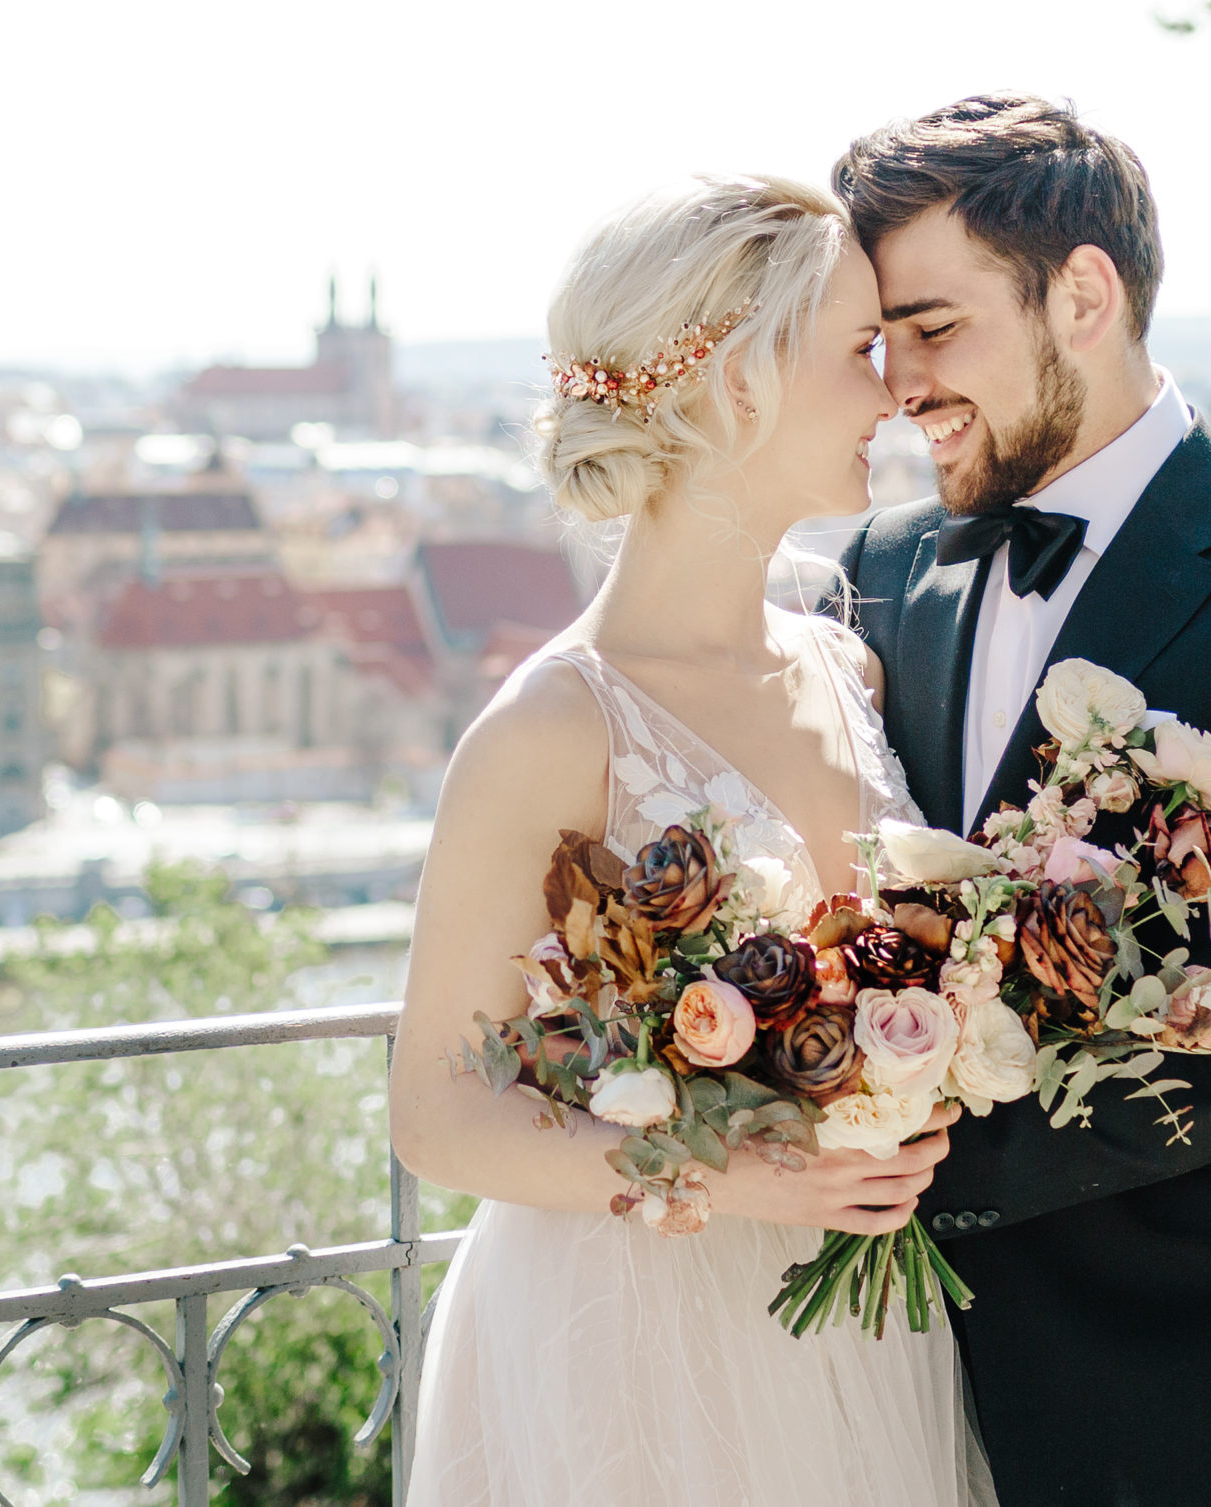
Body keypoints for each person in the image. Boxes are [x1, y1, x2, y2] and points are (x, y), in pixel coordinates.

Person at [830, 93, 1211, 1506]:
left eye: (934, 329)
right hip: (904, 1378)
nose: (899, 386)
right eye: (879, 344)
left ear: (1085, 294)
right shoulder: (877, 566)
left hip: (1199, 1375)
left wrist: (856, 1161)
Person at [390, 175, 990, 1507]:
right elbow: (435, 1116)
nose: (890, 389)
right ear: (737, 384)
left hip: (858, 1334)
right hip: (629, 1351)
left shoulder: (847, 663)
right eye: (855, 348)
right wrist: (739, 1176)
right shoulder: (555, 723)